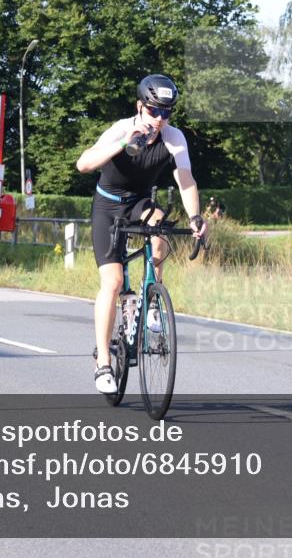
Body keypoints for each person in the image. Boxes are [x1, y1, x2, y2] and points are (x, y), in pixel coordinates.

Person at [75, 74, 207, 393]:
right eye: (154, 111)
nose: (160, 119)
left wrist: (196, 217)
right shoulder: (122, 128)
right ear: (140, 106)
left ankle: (152, 300)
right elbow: (83, 164)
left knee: (160, 224)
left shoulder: (173, 137)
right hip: (108, 207)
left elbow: (186, 180)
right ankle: (103, 361)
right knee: (114, 282)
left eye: (167, 112)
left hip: (139, 203)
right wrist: (124, 142)